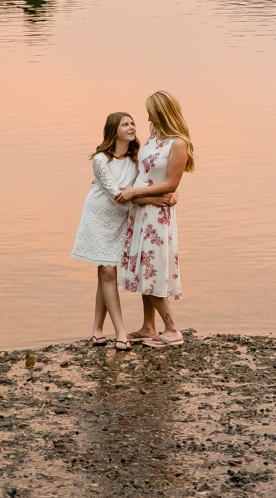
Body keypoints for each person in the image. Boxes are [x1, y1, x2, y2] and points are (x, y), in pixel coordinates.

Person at [70, 111, 173, 349]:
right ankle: (121, 332)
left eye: (133, 123)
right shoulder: (100, 160)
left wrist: (170, 192)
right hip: (98, 217)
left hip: (124, 220)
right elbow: (118, 196)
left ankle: (96, 331)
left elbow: (152, 179)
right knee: (107, 273)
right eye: (125, 124)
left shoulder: (138, 157)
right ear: (113, 130)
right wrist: (153, 201)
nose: (131, 126)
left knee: (104, 275)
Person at [117, 90, 194, 347]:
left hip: (157, 214)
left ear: (161, 111)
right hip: (140, 209)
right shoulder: (154, 135)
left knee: (154, 267)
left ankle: (172, 330)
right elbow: (145, 171)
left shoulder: (178, 143)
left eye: (150, 109)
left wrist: (138, 192)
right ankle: (148, 327)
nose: (147, 114)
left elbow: (171, 181)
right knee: (143, 265)